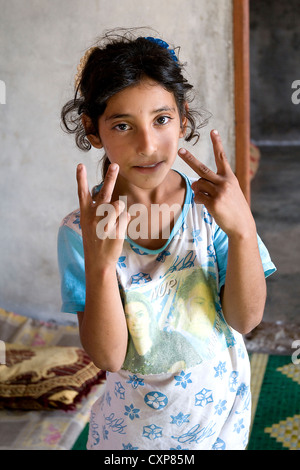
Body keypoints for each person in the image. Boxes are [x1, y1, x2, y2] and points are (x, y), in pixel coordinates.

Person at [58, 28, 276, 450]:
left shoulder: (212, 210)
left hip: (219, 429)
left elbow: (245, 321)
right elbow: (108, 357)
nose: (148, 144)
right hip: (127, 439)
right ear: (93, 130)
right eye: (123, 125)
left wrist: (243, 230)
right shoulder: (79, 231)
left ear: (184, 118)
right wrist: (102, 265)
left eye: (161, 119)